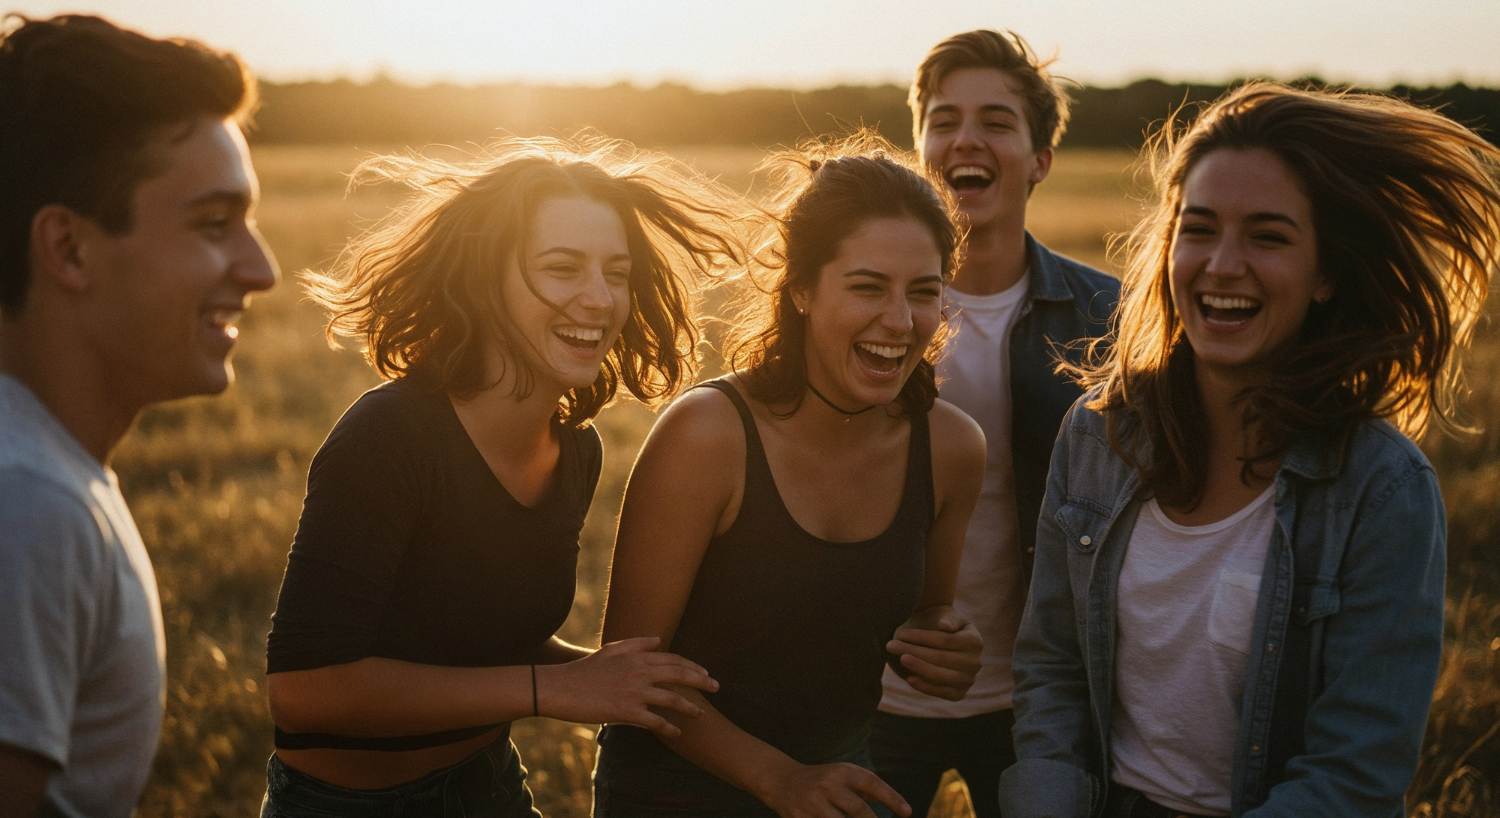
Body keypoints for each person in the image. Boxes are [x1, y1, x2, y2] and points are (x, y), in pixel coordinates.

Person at [1002, 82, 1500, 818]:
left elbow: (1355, 772)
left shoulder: (1382, 488)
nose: (1222, 265)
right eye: (1198, 230)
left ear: (1326, 272)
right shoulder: (1098, 434)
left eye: (1267, 236)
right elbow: (1053, 669)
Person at [262, 137, 740, 817]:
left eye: (616, 272)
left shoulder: (576, 451)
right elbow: (305, 688)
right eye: (562, 268)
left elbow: (482, 640)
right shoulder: (390, 437)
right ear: (487, 281)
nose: (599, 299)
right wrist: (552, 692)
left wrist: (609, 677)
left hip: (489, 787)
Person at [594, 135, 988, 818]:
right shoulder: (709, 435)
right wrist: (779, 779)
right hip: (671, 796)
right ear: (801, 290)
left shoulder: (951, 448)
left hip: (840, 793)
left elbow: (924, 615)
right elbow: (629, 678)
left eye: (923, 293)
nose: (899, 321)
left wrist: (945, 644)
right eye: (867, 287)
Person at [0, 14, 276, 818]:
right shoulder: (32, 511)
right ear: (71, 249)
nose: (262, 269)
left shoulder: (45, 477)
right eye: (214, 224)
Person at [869, 29, 1120, 818]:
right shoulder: (866, 313)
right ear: (920, 146)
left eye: (996, 122)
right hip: (868, 692)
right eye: (943, 120)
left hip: (1042, 702)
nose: (965, 139)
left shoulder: (1112, 316)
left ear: (1041, 158)